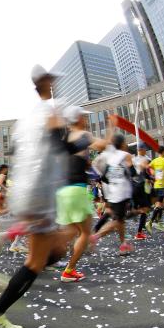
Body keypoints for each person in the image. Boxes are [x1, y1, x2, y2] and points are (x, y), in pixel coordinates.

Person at [0, 64, 68, 328]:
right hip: (40, 193)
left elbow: (16, 151)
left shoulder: (25, 120)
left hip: (25, 190)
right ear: (48, 84)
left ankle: (11, 283)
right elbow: (58, 142)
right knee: (36, 262)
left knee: (57, 250)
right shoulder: (51, 112)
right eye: (53, 82)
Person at [57, 105, 111, 283]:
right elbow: (104, 145)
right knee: (85, 233)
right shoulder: (84, 135)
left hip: (62, 190)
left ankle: (43, 253)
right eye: (84, 117)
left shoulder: (65, 138)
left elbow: (76, 161)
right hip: (76, 189)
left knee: (72, 230)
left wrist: (87, 164)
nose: (86, 120)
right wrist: (112, 126)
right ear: (78, 119)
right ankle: (69, 270)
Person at [89, 134, 135, 256]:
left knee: (120, 221)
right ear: (122, 144)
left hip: (113, 193)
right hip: (122, 193)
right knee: (117, 221)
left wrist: (111, 180)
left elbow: (101, 173)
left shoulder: (109, 156)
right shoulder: (125, 156)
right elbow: (133, 173)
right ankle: (95, 236)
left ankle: (123, 244)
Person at [146, 146, 164, 233]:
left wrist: (152, 175)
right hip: (162, 185)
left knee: (161, 204)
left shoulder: (155, 160)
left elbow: (148, 167)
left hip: (156, 185)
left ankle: (158, 221)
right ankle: (150, 222)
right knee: (160, 204)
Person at [132, 142, 152, 240]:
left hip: (133, 186)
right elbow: (148, 173)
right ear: (142, 150)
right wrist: (152, 178)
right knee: (145, 209)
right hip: (142, 187)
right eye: (144, 149)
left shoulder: (133, 159)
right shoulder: (146, 160)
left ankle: (132, 213)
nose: (145, 151)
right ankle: (139, 232)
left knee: (143, 209)